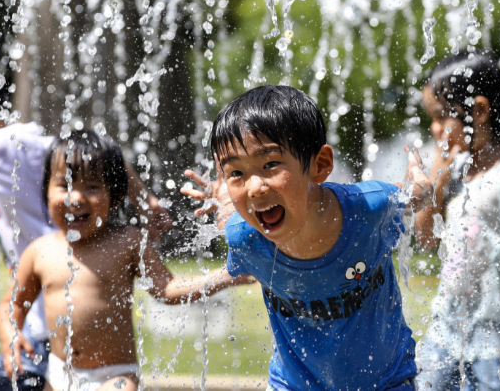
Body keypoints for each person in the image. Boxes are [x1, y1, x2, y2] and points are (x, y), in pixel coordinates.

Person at [0, 54, 171, 390]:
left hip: (48, 322)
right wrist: (145, 201)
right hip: (46, 315)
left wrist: (145, 203)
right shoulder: (26, 139)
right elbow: (98, 158)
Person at [181, 85, 433, 390]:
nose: (255, 188)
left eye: (270, 164)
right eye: (237, 173)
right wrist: (224, 201)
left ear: (321, 165)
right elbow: (231, 222)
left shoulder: (368, 210)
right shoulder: (246, 237)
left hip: (387, 382)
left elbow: (411, 196)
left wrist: (422, 187)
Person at [0, 129, 251, 391]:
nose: (75, 198)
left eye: (92, 186)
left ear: (115, 196)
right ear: (46, 190)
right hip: (60, 374)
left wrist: (226, 276)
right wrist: (10, 337)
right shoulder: (39, 252)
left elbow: (166, 290)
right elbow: (12, 304)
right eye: (64, 185)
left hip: (116, 376)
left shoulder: (128, 241)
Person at [413, 50, 500, 390]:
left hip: (496, 334)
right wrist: (437, 181)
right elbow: (426, 238)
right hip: (445, 328)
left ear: (480, 111)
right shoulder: (455, 173)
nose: (435, 128)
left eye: (443, 116)